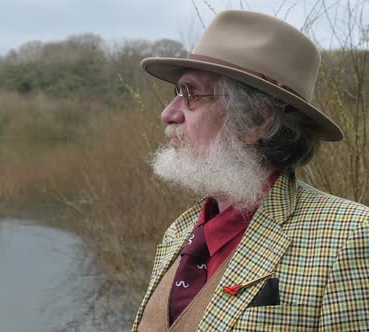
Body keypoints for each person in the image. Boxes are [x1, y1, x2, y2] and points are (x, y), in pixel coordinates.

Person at [133, 10, 369, 332]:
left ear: (257, 121)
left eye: (190, 94)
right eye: (176, 93)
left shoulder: (351, 237)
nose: (168, 114)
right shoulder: (179, 231)